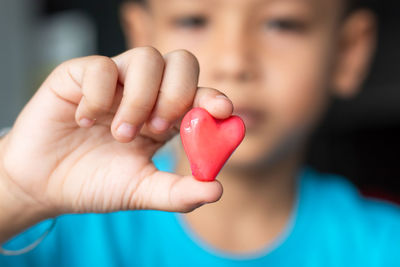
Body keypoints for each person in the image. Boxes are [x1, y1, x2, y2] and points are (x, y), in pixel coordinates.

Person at [0, 0, 399, 266]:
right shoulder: (48, 219)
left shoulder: (386, 244)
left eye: (282, 23)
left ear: (348, 51)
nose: (234, 61)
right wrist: (15, 192)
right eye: (194, 19)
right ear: (140, 33)